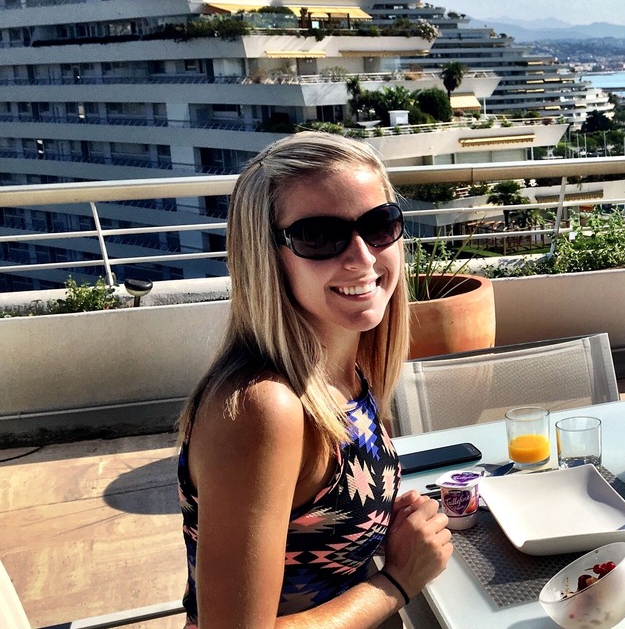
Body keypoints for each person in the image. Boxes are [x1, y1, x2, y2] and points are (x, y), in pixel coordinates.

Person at [176, 132, 453, 626]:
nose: (363, 257)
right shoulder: (266, 409)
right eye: (319, 236)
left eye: (379, 225)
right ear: (267, 255)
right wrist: (400, 579)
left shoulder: (347, 370)